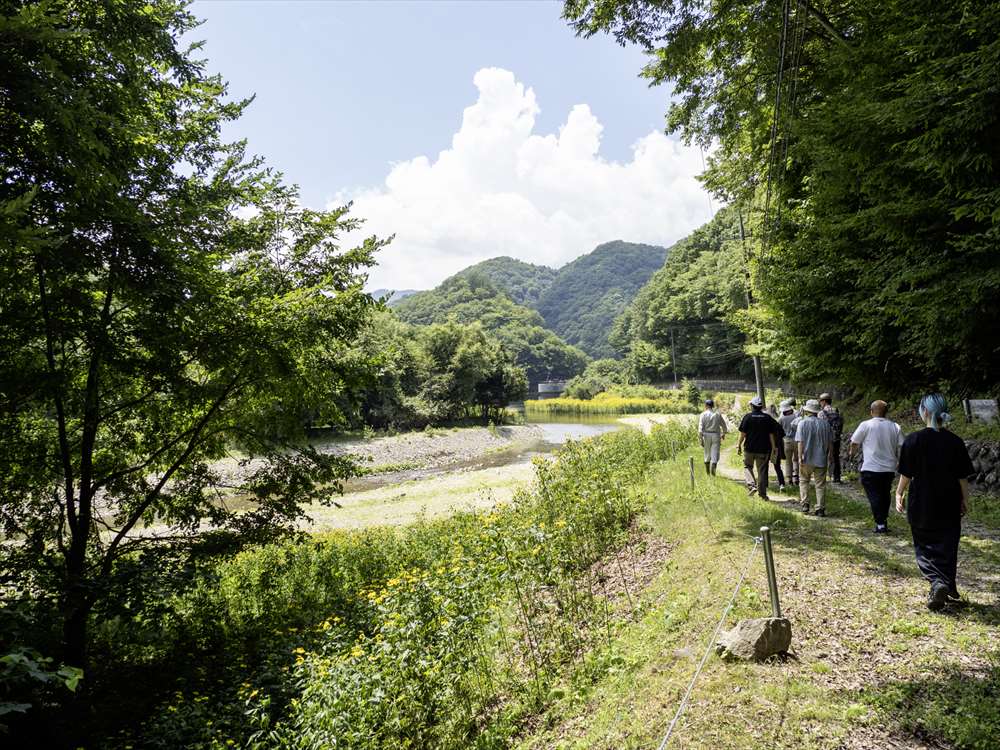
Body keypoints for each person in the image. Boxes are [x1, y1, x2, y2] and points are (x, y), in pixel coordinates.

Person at [896, 394, 974, 611]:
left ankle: (937, 583)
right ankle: (947, 586)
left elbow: (906, 473)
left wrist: (898, 493)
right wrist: (964, 500)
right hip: (949, 500)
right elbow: (962, 477)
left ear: (926, 412)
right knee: (948, 544)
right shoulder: (955, 441)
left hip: (922, 501)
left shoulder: (914, 439)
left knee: (924, 545)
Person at [848, 400, 904, 534]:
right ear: (886, 412)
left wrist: (851, 454)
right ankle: (883, 521)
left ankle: (880, 523)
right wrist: (900, 461)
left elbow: (854, 443)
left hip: (870, 468)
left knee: (874, 496)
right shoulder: (895, 426)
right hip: (889, 468)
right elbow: (902, 446)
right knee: (884, 494)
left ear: (871, 412)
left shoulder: (866, 425)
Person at [796, 399, 834, 516]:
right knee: (820, 484)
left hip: (806, 458)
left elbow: (800, 442)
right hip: (821, 458)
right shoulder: (825, 424)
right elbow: (830, 442)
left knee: (803, 481)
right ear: (818, 411)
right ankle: (820, 508)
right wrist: (830, 455)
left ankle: (805, 504)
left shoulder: (802, 423)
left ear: (807, 411)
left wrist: (799, 456)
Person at [737, 395, 778, 499]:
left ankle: (751, 485)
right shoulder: (767, 418)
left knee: (747, 466)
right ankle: (763, 495)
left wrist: (739, 445)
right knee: (762, 471)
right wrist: (773, 447)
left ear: (752, 406)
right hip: (763, 450)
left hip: (749, 449)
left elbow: (742, 433)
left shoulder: (747, 417)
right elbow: (771, 434)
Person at [818, 393, 844, 483]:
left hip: (825, 439)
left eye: (820, 401)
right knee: (835, 457)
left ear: (824, 401)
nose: (820, 403)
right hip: (836, 438)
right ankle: (837, 477)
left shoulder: (821, 413)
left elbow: (820, 426)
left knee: (823, 456)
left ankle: (823, 476)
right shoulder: (837, 411)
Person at [698, 398, 727, 475]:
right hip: (715, 435)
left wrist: (701, 439)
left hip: (706, 435)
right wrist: (723, 433)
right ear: (712, 406)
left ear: (706, 405)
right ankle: (713, 473)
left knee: (707, 453)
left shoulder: (703, 414)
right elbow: (724, 425)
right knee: (715, 454)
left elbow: (700, 429)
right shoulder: (717, 414)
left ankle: (708, 473)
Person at [779, 400, 800, 487]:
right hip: (797, 440)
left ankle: (789, 479)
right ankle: (796, 477)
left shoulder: (781, 418)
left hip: (786, 442)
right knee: (796, 460)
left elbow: (778, 430)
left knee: (788, 461)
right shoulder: (796, 416)